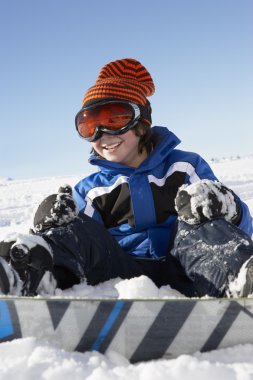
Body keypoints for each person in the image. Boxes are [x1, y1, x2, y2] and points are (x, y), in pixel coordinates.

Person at [1, 58, 253, 298]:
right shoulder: (91, 190)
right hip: (120, 276)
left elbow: (233, 228)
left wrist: (224, 205)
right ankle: (24, 275)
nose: (103, 134)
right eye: (90, 126)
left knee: (203, 221)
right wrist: (55, 226)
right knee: (72, 229)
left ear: (141, 122)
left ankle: (240, 280)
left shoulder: (184, 166)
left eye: (115, 119)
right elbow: (80, 247)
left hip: (190, 269)